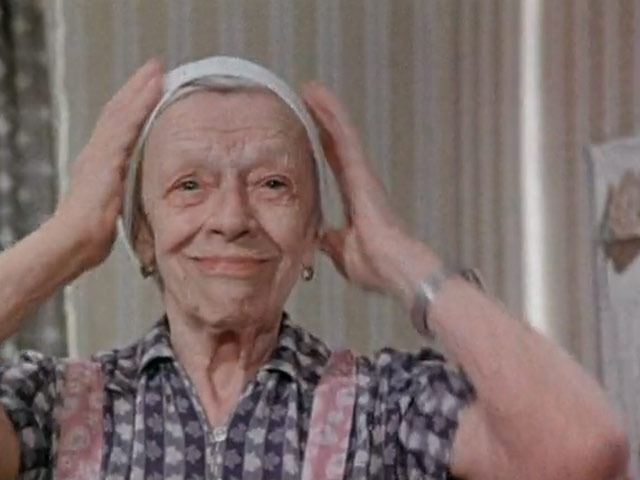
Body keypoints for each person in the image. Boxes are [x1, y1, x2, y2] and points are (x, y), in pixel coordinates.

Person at [0, 56, 629, 480]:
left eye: (272, 184)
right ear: (143, 236)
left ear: (309, 238)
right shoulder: (57, 405)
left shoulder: (386, 407)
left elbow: (583, 448)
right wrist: (64, 239)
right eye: (189, 185)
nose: (231, 218)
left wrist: (400, 257)